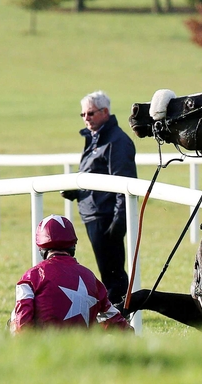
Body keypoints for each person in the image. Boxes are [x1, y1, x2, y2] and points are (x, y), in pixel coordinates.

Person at [61, 90, 137, 305]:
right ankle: (117, 311)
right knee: (108, 270)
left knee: (113, 274)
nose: (86, 118)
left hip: (106, 216)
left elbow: (123, 183)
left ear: (105, 112)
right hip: (94, 213)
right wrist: (77, 191)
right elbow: (95, 174)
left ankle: (119, 313)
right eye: (83, 114)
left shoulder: (116, 141)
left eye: (91, 113)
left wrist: (119, 221)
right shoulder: (95, 138)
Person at [9, 215, 131, 333]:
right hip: (84, 346)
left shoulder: (30, 278)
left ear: (41, 248)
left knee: (12, 320)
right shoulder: (91, 278)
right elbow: (117, 323)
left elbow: (21, 326)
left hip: (43, 346)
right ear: (73, 245)